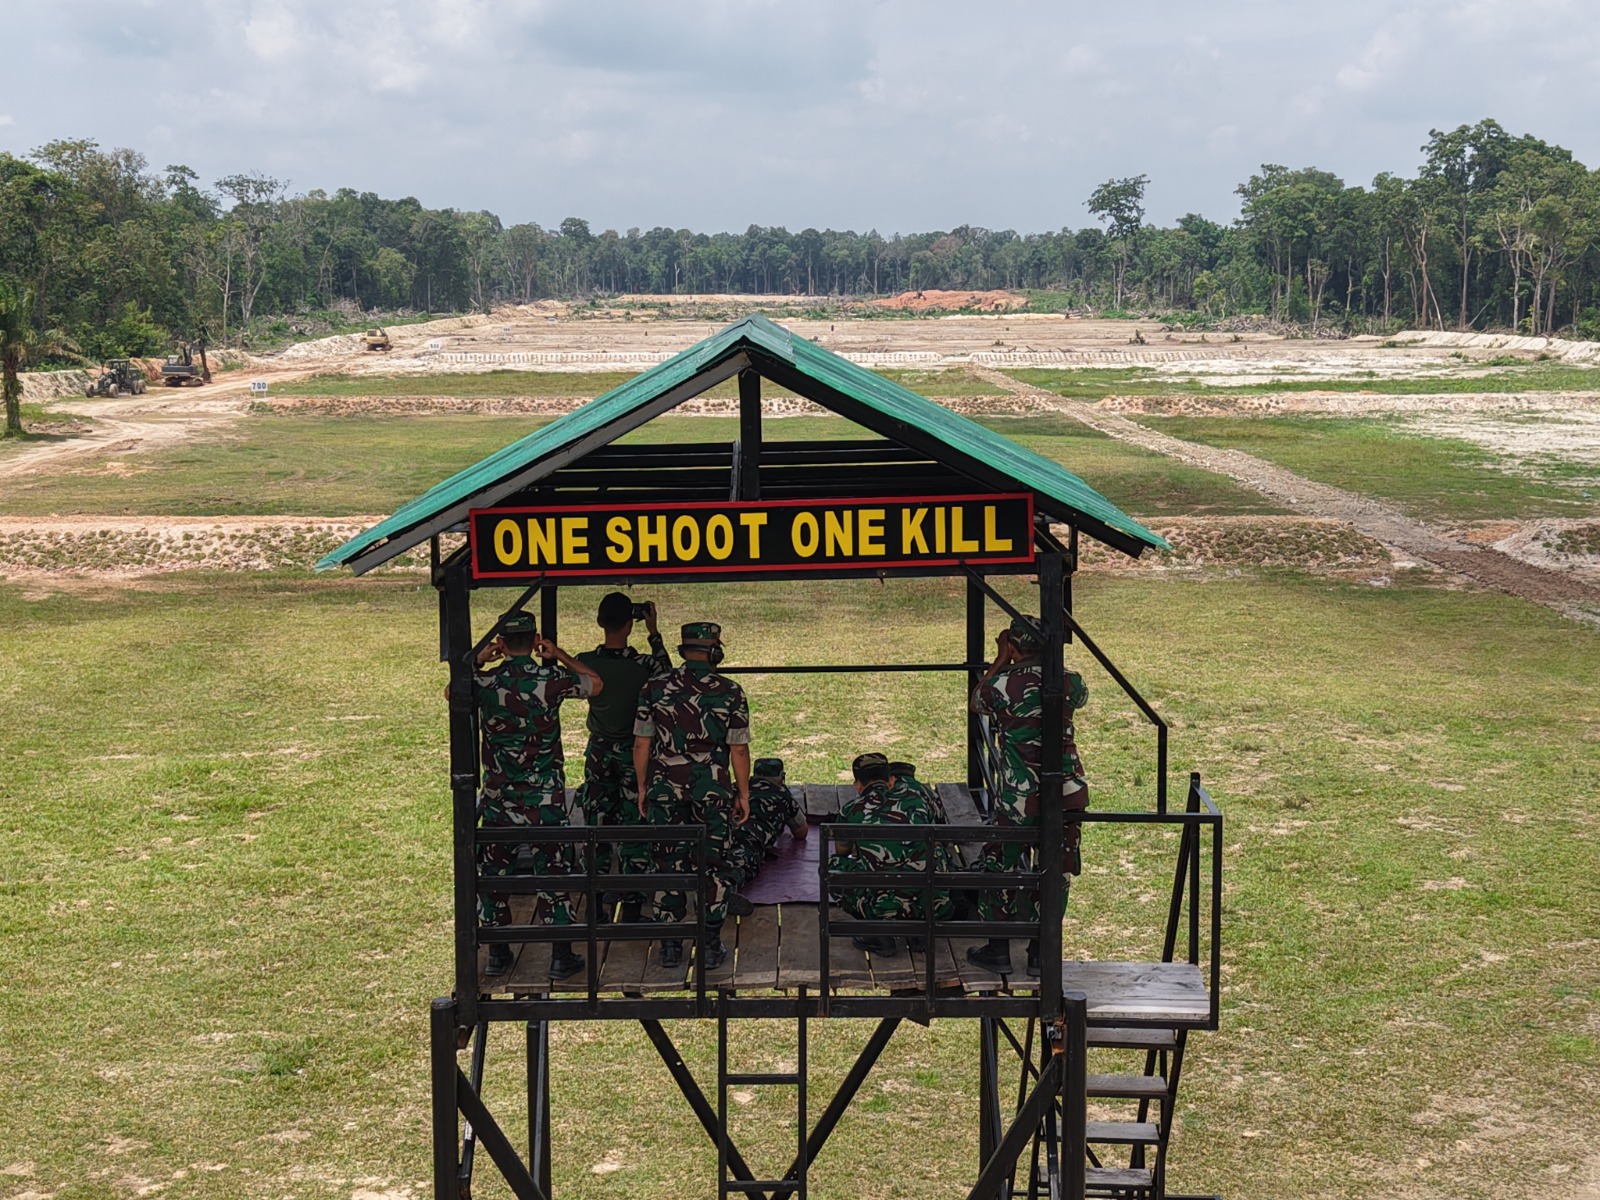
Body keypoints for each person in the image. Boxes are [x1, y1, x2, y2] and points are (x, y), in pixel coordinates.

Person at [470, 612, 604, 979]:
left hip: (500, 799)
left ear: (501, 642)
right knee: (554, 872)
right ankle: (560, 954)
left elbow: (453, 691)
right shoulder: (551, 679)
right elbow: (596, 684)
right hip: (545, 800)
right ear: (534, 641)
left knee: (495, 873)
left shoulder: (486, 681)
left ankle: (497, 952)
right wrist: (558, 654)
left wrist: (478, 659)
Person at [965, 614, 1089, 977]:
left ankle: (998, 949)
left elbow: (977, 702)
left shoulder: (1002, 684)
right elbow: (1081, 696)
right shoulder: (1069, 681)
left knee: (999, 865)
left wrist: (1000, 658)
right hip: (1067, 792)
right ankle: (1040, 953)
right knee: (1057, 869)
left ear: (1014, 646)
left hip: (1020, 797)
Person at [633, 621, 751, 970]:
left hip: (664, 791)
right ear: (715, 651)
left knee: (666, 862)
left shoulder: (653, 687)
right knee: (713, 865)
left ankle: (670, 945)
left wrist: (643, 787)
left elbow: (642, 743)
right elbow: (738, 749)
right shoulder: (731, 692)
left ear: (684, 650)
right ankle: (710, 944)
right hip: (712, 793)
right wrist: (743, 793)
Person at [575, 592, 670, 921]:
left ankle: (595, 902)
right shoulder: (644, 665)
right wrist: (654, 632)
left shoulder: (586, 661)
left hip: (599, 752)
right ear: (631, 625)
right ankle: (632, 903)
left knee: (597, 821)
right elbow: (667, 674)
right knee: (635, 820)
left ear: (600, 622)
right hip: (634, 752)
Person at [826, 752, 947, 956]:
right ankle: (919, 926)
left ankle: (879, 934)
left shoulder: (852, 810)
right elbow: (940, 837)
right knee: (935, 851)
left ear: (857, 785)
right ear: (891, 780)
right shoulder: (918, 800)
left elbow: (842, 852)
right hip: (932, 905)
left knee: (833, 866)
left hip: (881, 908)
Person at [724, 757, 809, 915]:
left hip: (722, 832)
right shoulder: (782, 796)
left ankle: (711, 891)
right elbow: (801, 832)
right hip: (751, 837)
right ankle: (723, 894)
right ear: (781, 776)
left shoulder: (737, 788)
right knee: (743, 863)